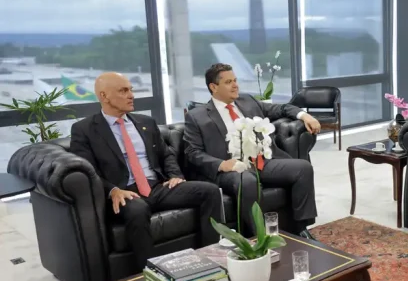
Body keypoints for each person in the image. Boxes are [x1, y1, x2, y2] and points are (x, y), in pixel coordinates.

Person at [70, 72, 219, 269]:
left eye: (131, 90)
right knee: (138, 209)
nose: (131, 95)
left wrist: (175, 175)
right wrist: (112, 190)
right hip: (125, 192)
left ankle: (211, 256)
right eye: (123, 91)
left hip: (157, 186)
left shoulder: (145, 123)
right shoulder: (84, 129)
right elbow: (89, 170)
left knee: (209, 191)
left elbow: (166, 155)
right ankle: (149, 273)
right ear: (104, 96)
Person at [183, 63, 321, 240]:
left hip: (263, 162)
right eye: (228, 82)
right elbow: (193, 152)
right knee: (246, 180)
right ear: (213, 87)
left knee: (303, 168)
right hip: (231, 168)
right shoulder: (197, 116)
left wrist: (304, 115)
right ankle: (260, 237)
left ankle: (300, 228)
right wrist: (221, 164)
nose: (235, 85)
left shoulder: (247, 101)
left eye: (235, 80)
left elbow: (282, 108)